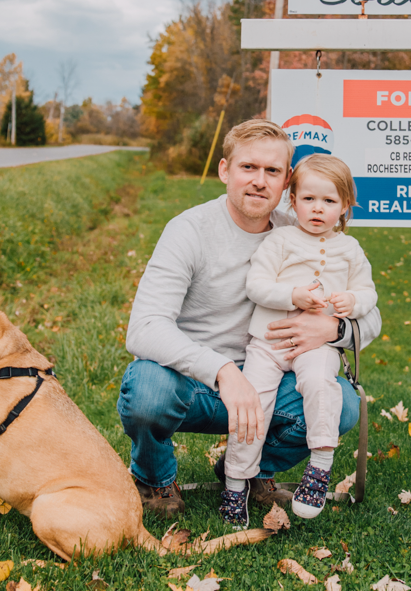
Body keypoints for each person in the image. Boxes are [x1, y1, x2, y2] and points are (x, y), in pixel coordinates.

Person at [117, 118, 381, 518]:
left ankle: (248, 471)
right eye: (248, 168)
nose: (260, 181)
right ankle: (155, 480)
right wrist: (223, 370)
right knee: (146, 389)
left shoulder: (304, 229)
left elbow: (372, 316)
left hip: (274, 378)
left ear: (287, 180)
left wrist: (334, 328)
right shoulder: (190, 230)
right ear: (226, 170)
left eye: (272, 171)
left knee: (342, 402)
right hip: (195, 385)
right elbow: (144, 328)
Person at [221, 154, 378, 525]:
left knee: (322, 386)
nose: (318, 209)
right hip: (269, 343)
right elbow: (256, 284)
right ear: (293, 201)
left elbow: (368, 293)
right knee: (253, 404)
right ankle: (235, 482)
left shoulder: (350, 249)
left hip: (316, 346)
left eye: (329, 201)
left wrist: (352, 301)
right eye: (308, 199)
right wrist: (292, 295)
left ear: (344, 207)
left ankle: (320, 467)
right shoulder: (281, 239)